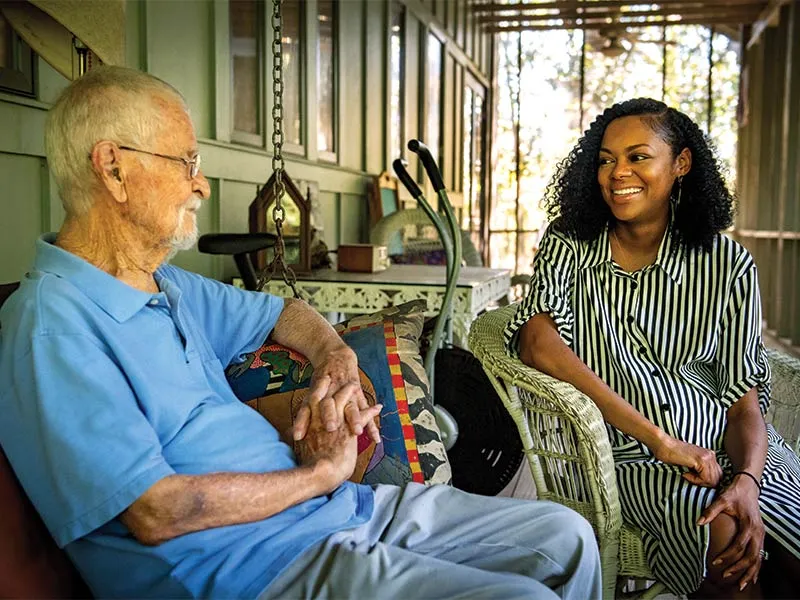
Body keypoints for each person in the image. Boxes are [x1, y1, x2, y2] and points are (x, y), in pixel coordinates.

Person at [0, 66, 600, 599]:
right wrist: (319, 473)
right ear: (113, 168)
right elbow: (157, 511)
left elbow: (279, 312)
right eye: (186, 162)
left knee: (566, 535)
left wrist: (334, 357)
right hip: (254, 567)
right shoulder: (52, 328)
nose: (202, 184)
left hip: (336, 510)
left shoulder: (164, 284)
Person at [506, 97, 800, 599]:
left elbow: (744, 399)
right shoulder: (572, 244)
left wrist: (748, 476)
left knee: (780, 542)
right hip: (632, 455)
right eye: (605, 159)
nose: (617, 172)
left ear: (680, 164)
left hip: (742, 453)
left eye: (638, 156)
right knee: (728, 542)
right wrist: (662, 441)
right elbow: (538, 343)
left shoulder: (726, 265)